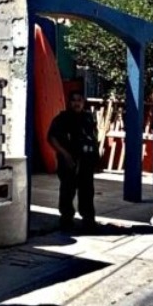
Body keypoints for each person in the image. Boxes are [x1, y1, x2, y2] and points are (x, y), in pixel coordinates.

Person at [47, 91, 100, 231]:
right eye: (74, 100)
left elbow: (93, 137)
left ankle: (88, 219)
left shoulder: (88, 118)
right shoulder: (62, 118)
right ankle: (66, 219)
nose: (77, 103)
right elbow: (51, 138)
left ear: (83, 102)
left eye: (79, 100)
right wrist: (66, 155)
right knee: (67, 190)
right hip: (69, 162)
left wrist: (95, 157)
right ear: (69, 102)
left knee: (87, 191)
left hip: (86, 161)